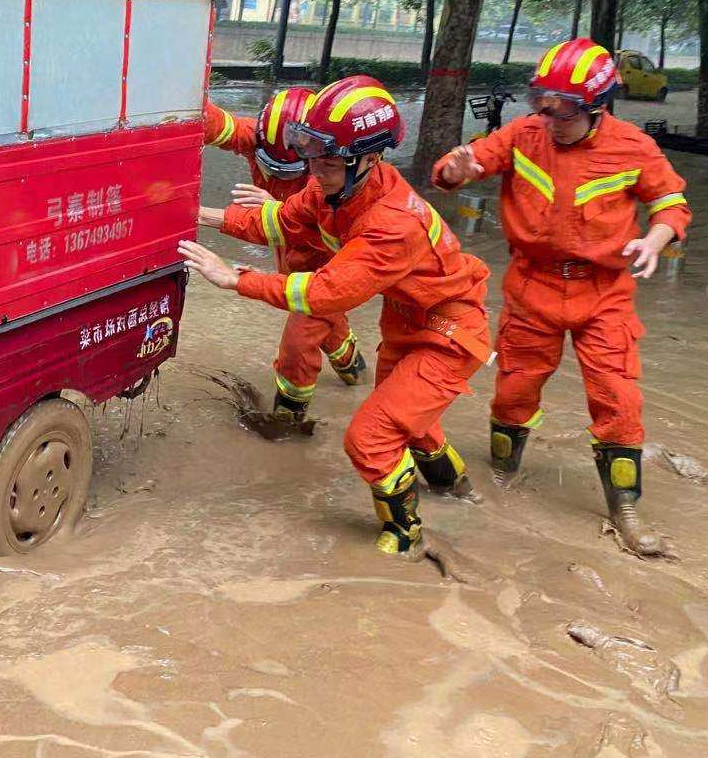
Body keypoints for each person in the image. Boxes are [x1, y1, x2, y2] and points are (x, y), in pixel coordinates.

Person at [182, 76, 491, 557]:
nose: (312, 169)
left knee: (370, 437)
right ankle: (460, 493)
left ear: (369, 158)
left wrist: (235, 279)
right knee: (411, 422)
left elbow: (325, 292)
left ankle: (405, 538)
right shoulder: (335, 187)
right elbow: (277, 222)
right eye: (310, 155)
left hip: (449, 333)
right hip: (407, 322)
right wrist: (198, 214)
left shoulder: (392, 225)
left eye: (325, 161)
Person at [431, 37, 690, 557]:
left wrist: (656, 239)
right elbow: (463, 165)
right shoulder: (523, 135)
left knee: (618, 396)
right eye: (541, 100)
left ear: (597, 104)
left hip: (605, 291)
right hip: (532, 285)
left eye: (563, 106)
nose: (549, 116)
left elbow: (671, 203)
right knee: (513, 392)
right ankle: (502, 476)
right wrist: (453, 172)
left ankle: (624, 508)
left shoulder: (633, 147)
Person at [203, 88, 367, 428]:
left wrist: (276, 209)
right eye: (269, 167)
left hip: (326, 264)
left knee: (298, 341)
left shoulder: (335, 173)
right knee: (329, 322)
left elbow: (334, 236)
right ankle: (353, 367)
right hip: (290, 255)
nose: (278, 178)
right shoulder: (261, 137)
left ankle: (288, 419)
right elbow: (217, 124)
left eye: (288, 172)